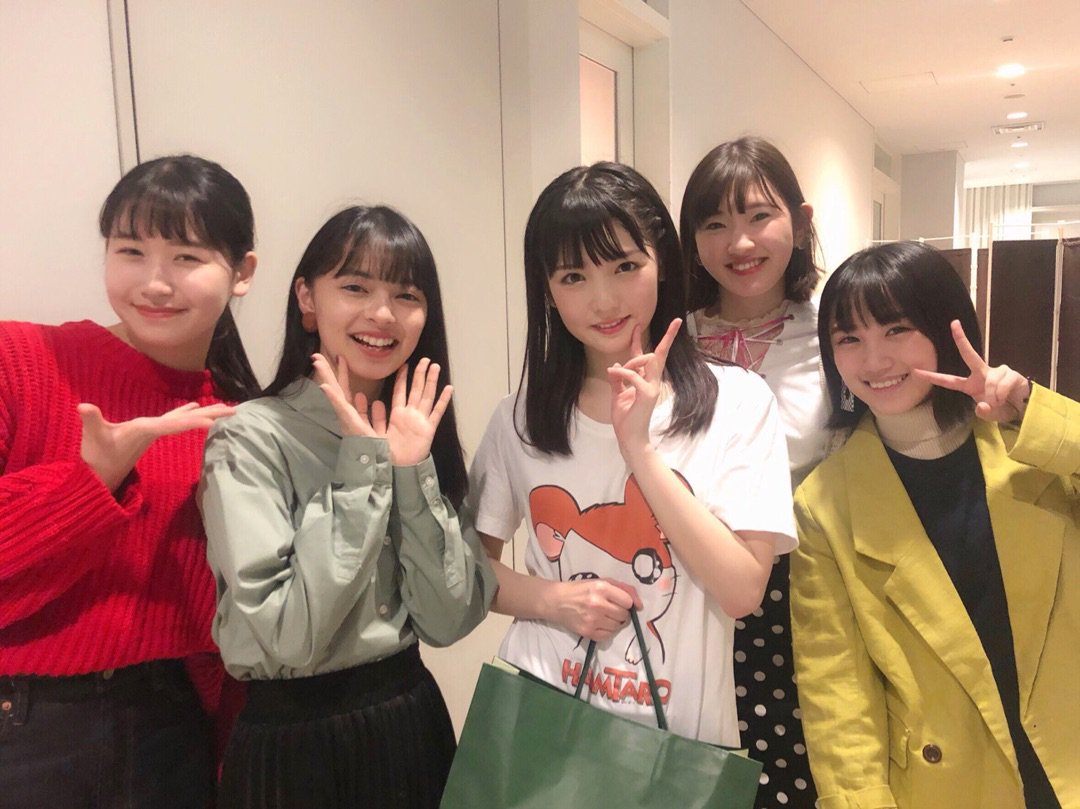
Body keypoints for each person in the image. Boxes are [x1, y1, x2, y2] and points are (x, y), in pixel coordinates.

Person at [467, 161, 796, 747]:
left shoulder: (739, 402)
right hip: (542, 723)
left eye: (624, 266)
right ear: (547, 291)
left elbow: (743, 590)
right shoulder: (520, 420)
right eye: (573, 277)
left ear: (661, 262)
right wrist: (555, 599)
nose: (603, 300)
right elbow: (468, 569)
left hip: (677, 746)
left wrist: (638, 448)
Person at [199, 205, 495, 809]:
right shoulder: (250, 436)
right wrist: (364, 466)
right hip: (293, 742)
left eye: (406, 295)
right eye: (355, 287)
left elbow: (448, 621)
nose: (382, 314)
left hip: (408, 722)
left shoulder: (420, 432)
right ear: (307, 298)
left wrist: (409, 469)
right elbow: (288, 634)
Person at [0, 154, 259, 809]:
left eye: (186, 257)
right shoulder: (19, 361)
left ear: (243, 273)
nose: (155, 283)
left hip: (173, 729)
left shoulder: (234, 419)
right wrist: (92, 481)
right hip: (27, 728)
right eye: (131, 251)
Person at [791, 240, 1077, 809]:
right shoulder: (824, 502)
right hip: (945, 786)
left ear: (948, 329)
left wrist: (1029, 406)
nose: (874, 361)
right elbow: (837, 690)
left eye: (896, 329)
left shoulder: (1032, 443)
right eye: (849, 339)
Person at [680, 136, 828, 807]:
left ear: (799, 219)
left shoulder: (836, 334)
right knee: (688, 772)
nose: (739, 243)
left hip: (804, 592)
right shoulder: (668, 340)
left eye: (759, 216)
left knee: (793, 770)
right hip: (682, 586)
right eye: (715, 224)